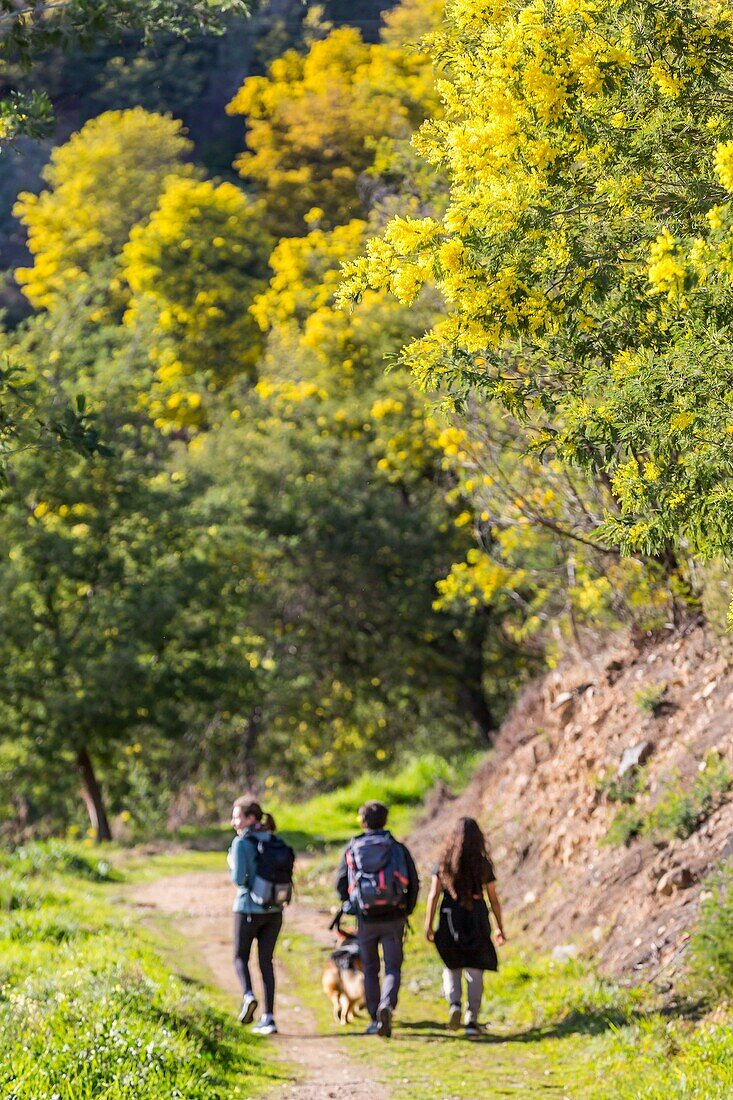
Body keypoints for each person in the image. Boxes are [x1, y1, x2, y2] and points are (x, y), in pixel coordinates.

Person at [335, 800, 419, 1038]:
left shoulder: (353, 847)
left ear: (363, 822)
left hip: (366, 918)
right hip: (394, 916)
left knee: (371, 968)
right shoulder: (396, 848)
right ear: (385, 820)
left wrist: (351, 905)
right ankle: (387, 1006)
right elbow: (413, 881)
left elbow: (340, 882)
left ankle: (374, 1018)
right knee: (393, 966)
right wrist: (407, 910)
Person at [424, 816, 506, 1037]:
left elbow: (433, 895)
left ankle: (454, 1005)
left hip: (450, 916)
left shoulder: (444, 862)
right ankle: (472, 1019)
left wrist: (428, 924)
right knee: (475, 968)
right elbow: (493, 899)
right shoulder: (482, 863)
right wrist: (499, 927)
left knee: (452, 964)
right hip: (477, 917)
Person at [229, 798, 285, 1036]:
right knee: (266, 962)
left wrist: (232, 864)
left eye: (237, 817)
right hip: (274, 911)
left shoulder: (242, 843)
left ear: (251, 819)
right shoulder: (274, 839)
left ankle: (248, 995)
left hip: (247, 909)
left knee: (240, 957)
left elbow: (239, 880)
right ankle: (269, 1018)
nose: (234, 822)